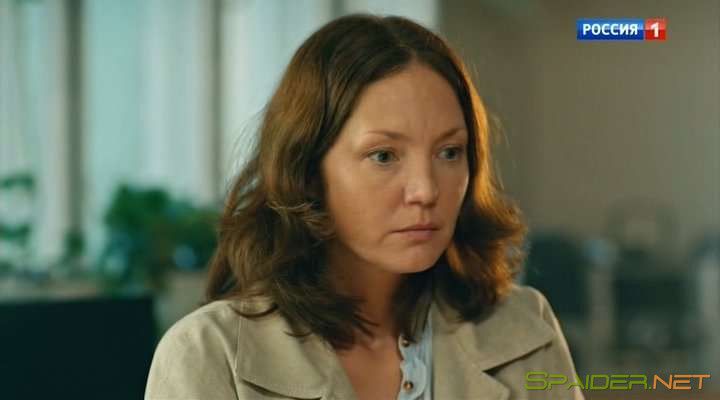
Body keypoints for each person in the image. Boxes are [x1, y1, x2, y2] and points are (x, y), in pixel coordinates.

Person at [145, 13, 584, 400]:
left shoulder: (524, 329)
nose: (425, 190)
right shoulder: (208, 353)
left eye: (449, 152)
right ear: (307, 169)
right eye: (384, 156)